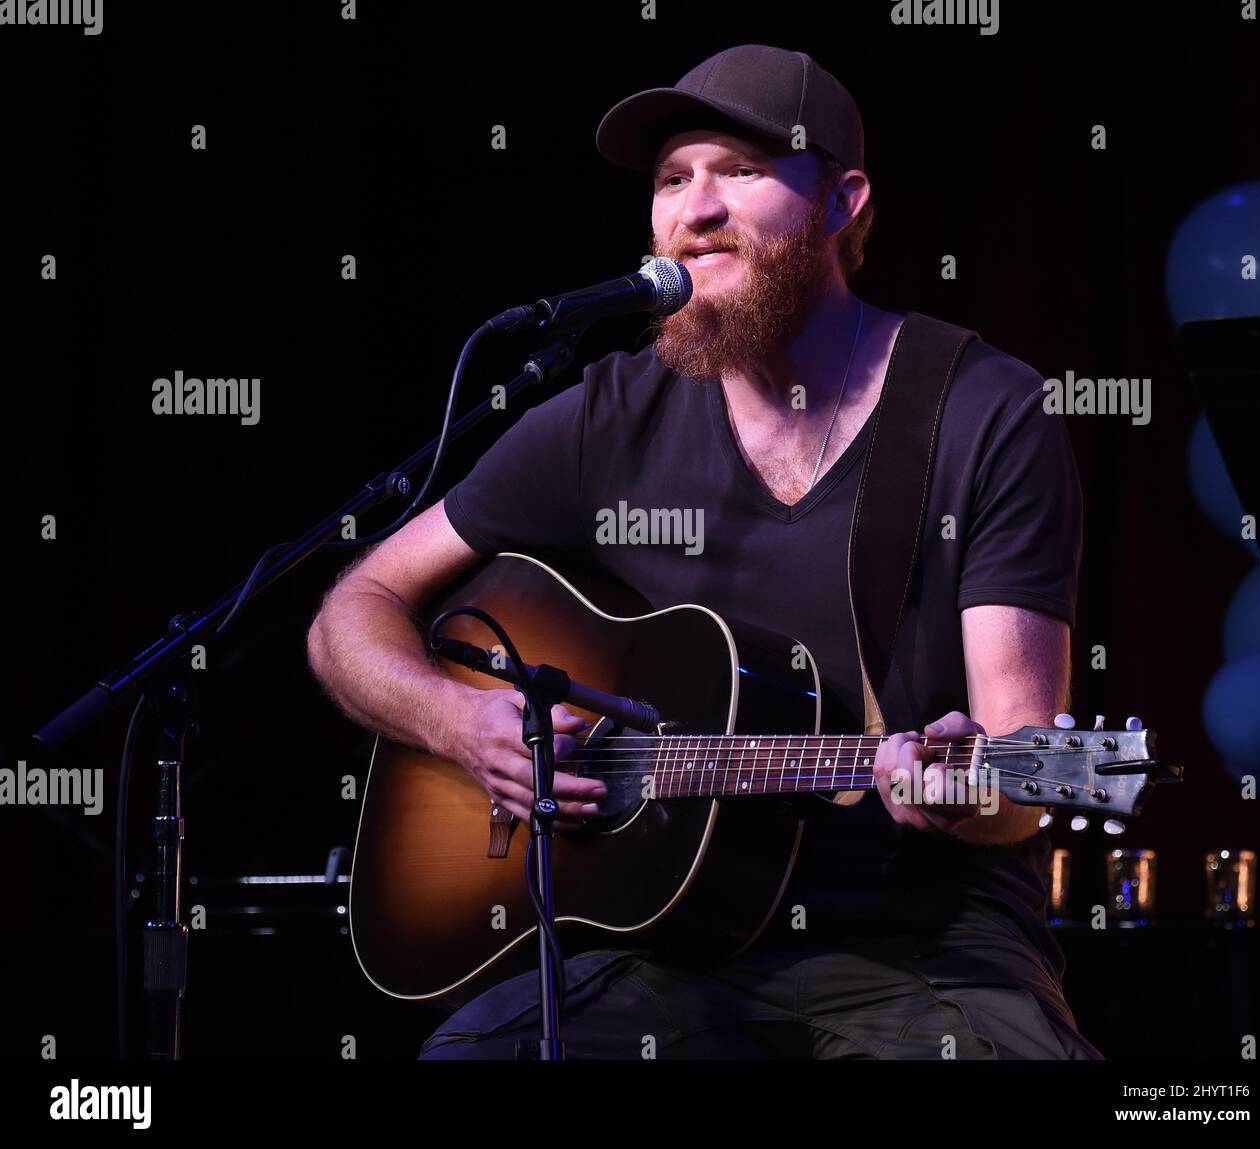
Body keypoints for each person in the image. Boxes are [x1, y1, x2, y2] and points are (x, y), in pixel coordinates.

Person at [306, 44, 1100, 1059]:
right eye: (672, 180)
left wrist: (959, 790)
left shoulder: (987, 411)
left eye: (741, 170)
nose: (697, 209)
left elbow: (1023, 769)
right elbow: (352, 608)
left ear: (843, 202)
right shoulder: (607, 412)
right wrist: (461, 723)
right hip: (663, 945)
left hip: (926, 941)